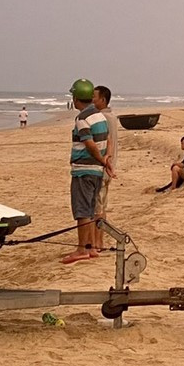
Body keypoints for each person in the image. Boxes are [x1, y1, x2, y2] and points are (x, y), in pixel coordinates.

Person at [62, 78, 114, 265]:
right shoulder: (99, 115)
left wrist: (102, 159)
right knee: (91, 209)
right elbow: (108, 140)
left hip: (84, 170)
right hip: (97, 171)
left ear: (76, 98)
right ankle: (91, 247)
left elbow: (89, 143)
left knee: (82, 210)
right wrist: (106, 160)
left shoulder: (82, 118)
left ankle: (82, 249)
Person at [92, 85, 117, 253]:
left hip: (103, 168)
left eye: (94, 97)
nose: (92, 100)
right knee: (102, 206)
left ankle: (98, 243)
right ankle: (98, 241)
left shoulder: (102, 118)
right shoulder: (112, 117)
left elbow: (104, 144)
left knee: (97, 208)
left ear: (102, 99)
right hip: (109, 167)